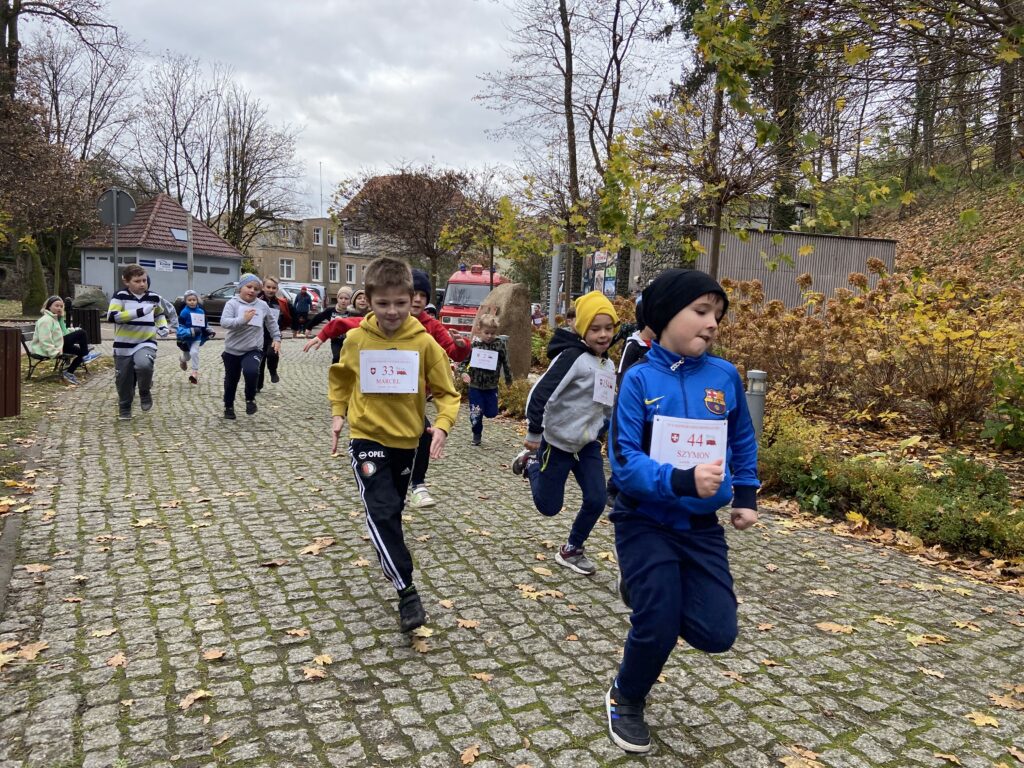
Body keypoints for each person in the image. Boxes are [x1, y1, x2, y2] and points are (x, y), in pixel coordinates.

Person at [604, 269, 759, 754]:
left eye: (717, 314)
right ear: (666, 315)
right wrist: (679, 480)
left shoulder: (725, 376)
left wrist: (747, 495)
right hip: (644, 520)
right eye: (700, 311)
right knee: (659, 621)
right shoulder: (638, 379)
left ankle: (648, 590)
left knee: (718, 633)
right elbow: (624, 462)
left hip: (700, 526)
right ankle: (626, 697)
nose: (712, 323)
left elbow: (742, 439)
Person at [328, 256, 460, 633]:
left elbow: (447, 394)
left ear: (413, 300)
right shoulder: (356, 339)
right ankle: (407, 591)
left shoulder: (423, 343)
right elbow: (340, 378)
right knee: (381, 511)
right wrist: (339, 413)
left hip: (407, 441)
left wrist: (444, 427)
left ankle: (394, 561)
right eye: (383, 304)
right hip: (366, 438)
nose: (392, 312)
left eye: (400, 303)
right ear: (368, 300)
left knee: (393, 513)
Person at [511, 291, 618, 575]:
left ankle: (572, 549)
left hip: (587, 446)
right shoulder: (572, 358)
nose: (603, 334)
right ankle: (531, 463)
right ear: (582, 329)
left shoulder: (608, 365)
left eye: (609, 328)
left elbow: (606, 404)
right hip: (556, 443)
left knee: (597, 499)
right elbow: (539, 394)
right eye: (595, 328)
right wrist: (534, 433)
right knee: (548, 507)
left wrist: (603, 429)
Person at [407, 269, 470, 508]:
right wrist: (325, 334)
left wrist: (462, 345)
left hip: (416, 396)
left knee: (423, 434)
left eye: (423, 295)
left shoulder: (431, 325)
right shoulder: (389, 319)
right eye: (413, 293)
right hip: (384, 393)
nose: (417, 299)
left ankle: (418, 485)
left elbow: (453, 350)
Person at [107, 264, 169, 420]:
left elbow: (159, 315)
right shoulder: (120, 296)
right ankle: (125, 407)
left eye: (144, 280)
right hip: (123, 345)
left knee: (144, 365)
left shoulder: (153, 297)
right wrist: (140, 311)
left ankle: (144, 391)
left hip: (146, 341)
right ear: (126, 281)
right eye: (137, 281)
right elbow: (113, 316)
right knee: (123, 380)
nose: (142, 284)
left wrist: (163, 327)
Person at [220, 274, 281, 419]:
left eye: (256, 289)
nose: (252, 291)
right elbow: (224, 322)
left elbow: (271, 323)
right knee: (231, 380)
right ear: (240, 288)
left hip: (253, 348)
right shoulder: (232, 304)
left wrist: (277, 338)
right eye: (249, 287)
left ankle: (250, 399)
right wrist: (243, 320)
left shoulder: (262, 305)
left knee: (252, 371)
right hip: (232, 350)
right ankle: (228, 407)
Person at [459, 314, 512, 446]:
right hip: (475, 386)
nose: (489, 336)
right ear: (479, 330)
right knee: (475, 414)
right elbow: (463, 363)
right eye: (486, 333)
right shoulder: (475, 345)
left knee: (491, 413)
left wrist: (508, 379)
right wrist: (463, 373)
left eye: (492, 333)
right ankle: (477, 434)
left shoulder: (499, 344)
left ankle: (483, 410)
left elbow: (506, 363)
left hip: (491, 386)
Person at [30, 296, 100, 386]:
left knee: (81, 352)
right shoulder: (46, 320)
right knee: (82, 333)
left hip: (59, 344)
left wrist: (69, 327)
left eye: (61, 306)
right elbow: (44, 340)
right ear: (49, 307)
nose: (59, 308)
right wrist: (53, 352)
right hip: (51, 348)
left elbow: (64, 332)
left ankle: (69, 372)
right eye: (56, 306)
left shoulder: (57, 318)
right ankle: (86, 356)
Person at [257, 276, 292, 390]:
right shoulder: (257, 300)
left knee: (272, 354)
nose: (271, 290)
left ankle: (273, 371)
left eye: (273, 288)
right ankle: (258, 385)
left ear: (277, 289)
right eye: (268, 287)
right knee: (259, 361)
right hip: (258, 335)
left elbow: (288, 316)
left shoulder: (280, 303)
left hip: (273, 335)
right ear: (263, 287)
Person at [176, 290, 215, 384]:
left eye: (194, 299)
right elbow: (180, 327)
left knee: (194, 352)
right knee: (187, 357)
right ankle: (182, 360)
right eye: (189, 300)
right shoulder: (184, 313)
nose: (192, 302)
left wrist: (210, 331)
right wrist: (190, 331)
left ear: (197, 300)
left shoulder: (201, 311)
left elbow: (205, 324)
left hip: (197, 338)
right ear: (186, 301)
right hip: (186, 339)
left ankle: (194, 373)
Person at [305, 286, 353, 363]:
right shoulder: (331, 311)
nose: (343, 301)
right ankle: (335, 372)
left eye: (346, 299)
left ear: (351, 300)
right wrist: (309, 327)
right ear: (337, 299)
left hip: (349, 341)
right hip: (335, 340)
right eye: (341, 298)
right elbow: (318, 317)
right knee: (337, 357)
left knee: (348, 359)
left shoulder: (352, 312)